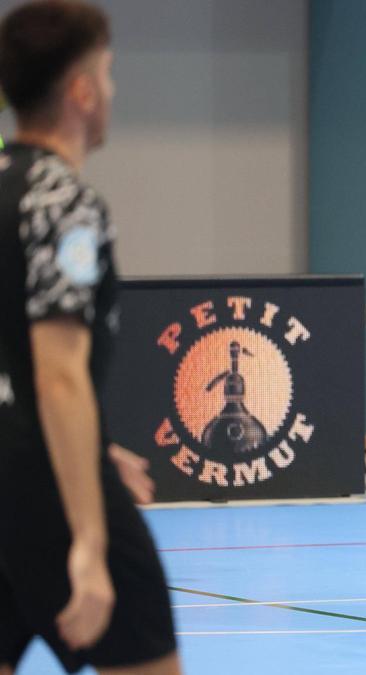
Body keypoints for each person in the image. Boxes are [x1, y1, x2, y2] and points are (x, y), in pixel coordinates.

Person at [0, 2, 181, 673]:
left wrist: (96, 440)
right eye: (105, 74)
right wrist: (87, 538)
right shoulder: (66, 205)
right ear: (80, 91)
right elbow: (57, 373)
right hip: (45, 488)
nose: (110, 91)